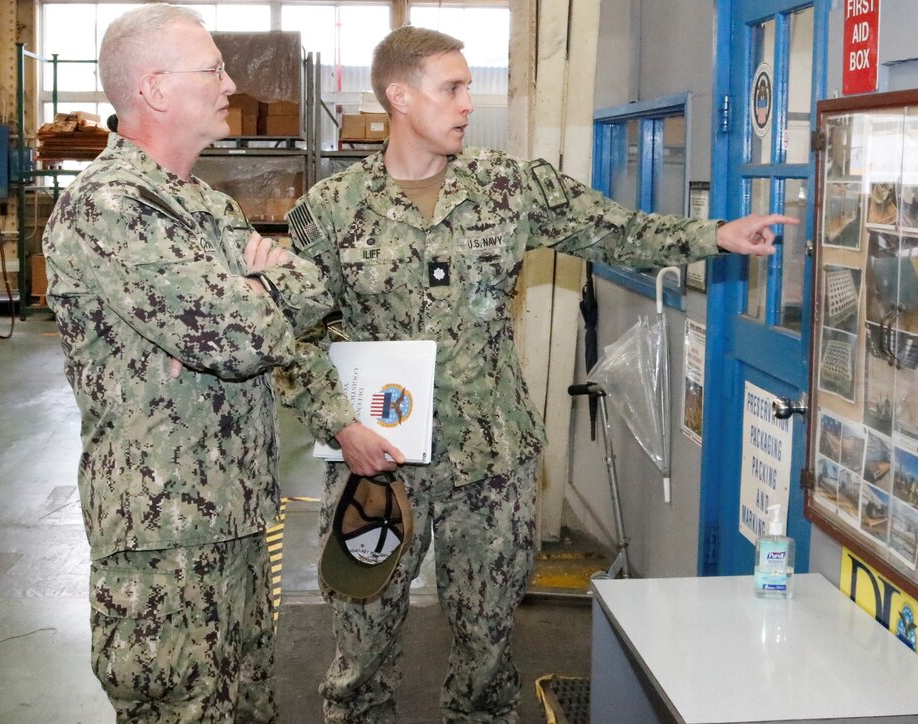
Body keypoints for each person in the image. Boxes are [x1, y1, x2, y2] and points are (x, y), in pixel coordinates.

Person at [282, 25, 798, 723]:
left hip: (490, 470)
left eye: (470, 86)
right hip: (378, 469)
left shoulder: (507, 189)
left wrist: (712, 237)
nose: (469, 103)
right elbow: (292, 338)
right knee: (361, 657)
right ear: (399, 96)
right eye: (453, 88)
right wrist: (340, 423)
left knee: (488, 656)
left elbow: (615, 228)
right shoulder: (331, 212)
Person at [43, 5, 347, 721]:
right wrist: (252, 294)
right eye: (212, 68)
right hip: (163, 540)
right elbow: (240, 339)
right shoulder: (110, 206)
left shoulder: (206, 205)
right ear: (153, 89)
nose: (232, 83)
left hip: (238, 519)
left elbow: (308, 293)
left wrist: (254, 292)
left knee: (248, 705)